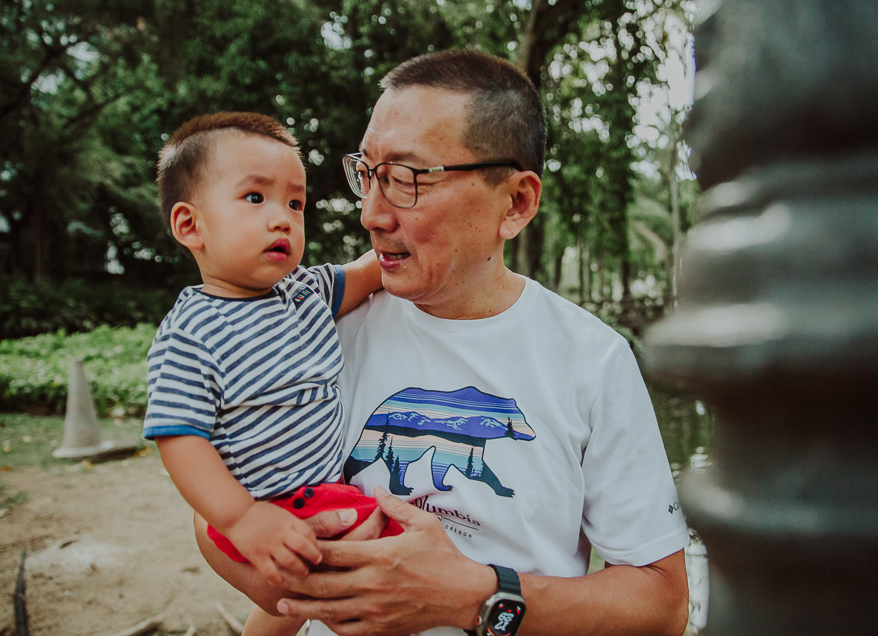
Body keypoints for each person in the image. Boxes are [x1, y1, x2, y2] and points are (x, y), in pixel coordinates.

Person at [197, 51, 691, 636]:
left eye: (407, 179)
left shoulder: (593, 361)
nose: (372, 216)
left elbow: (663, 603)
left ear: (516, 203)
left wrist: (477, 597)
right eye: (369, 175)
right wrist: (320, 588)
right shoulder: (320, 332)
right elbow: (222, 515)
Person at [142, 112, 401, 636]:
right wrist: (241, 518)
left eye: (295, 203)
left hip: (321, 493)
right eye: (256, 198)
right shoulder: (192, 331)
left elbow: (370, 270)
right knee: (366, 571)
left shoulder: (307, 292)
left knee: (322, 591)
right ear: (190, 225)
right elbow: (178, 437)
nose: (283, 218)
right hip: (256, 508)